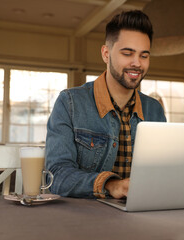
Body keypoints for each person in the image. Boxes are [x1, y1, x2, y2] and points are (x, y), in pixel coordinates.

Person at [45, 10, 166, 199]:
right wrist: (110, 185)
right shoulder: (70, 103)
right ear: (106, 54)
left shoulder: (155, 110)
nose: (137, 63)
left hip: (143, 217)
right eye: (127, 53)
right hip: (86, 220)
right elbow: (56, 177)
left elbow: (164, 171)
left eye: (144, 56)